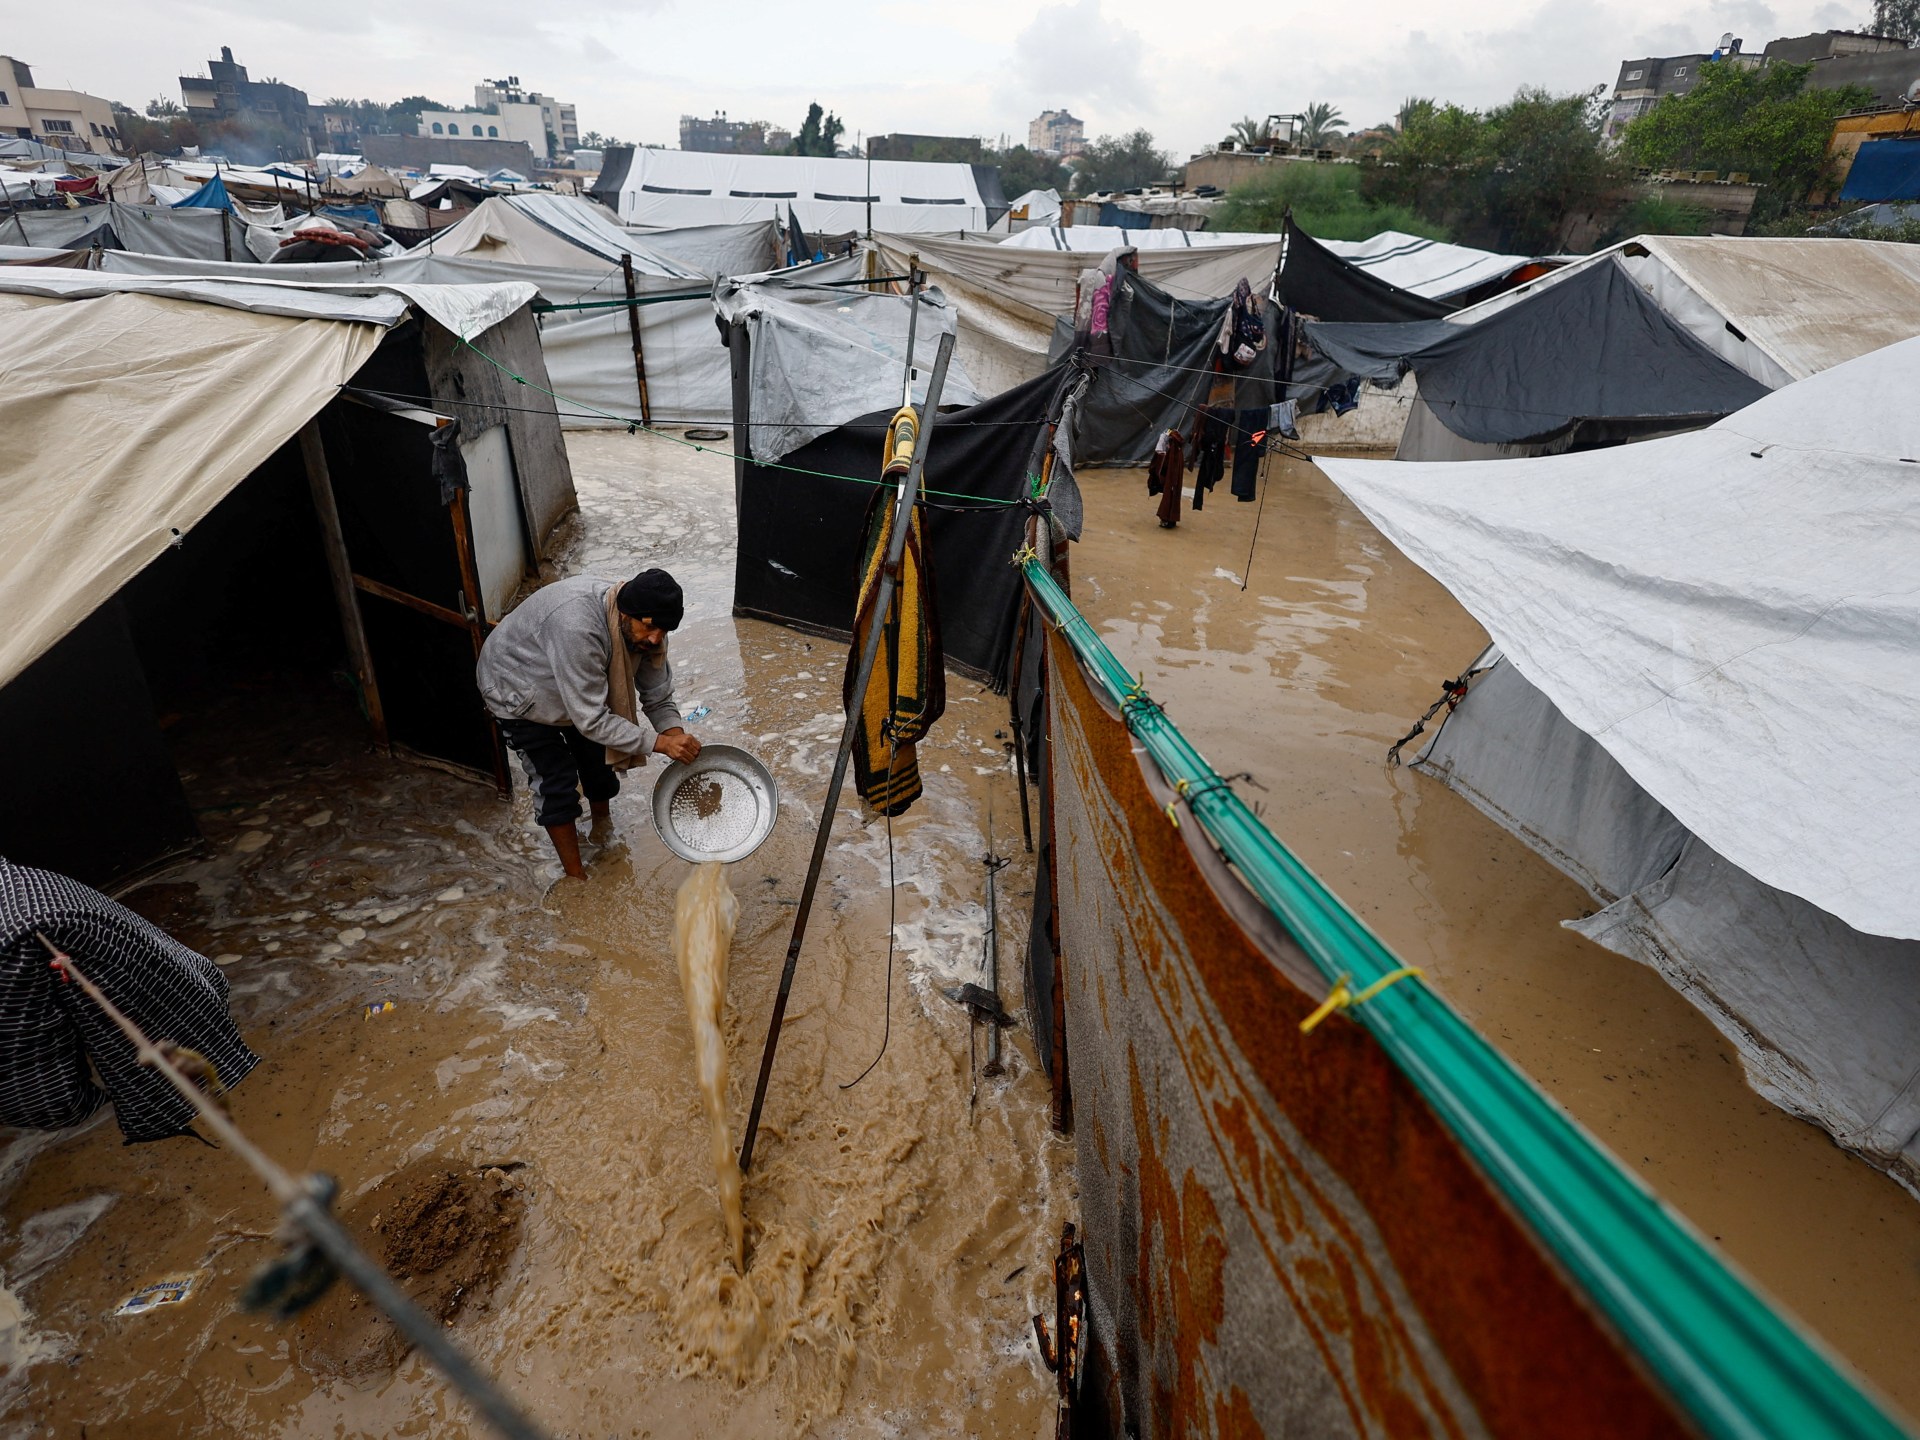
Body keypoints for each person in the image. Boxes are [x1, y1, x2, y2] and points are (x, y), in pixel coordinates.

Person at [0, 857, 260, 1143]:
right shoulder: (14, 882)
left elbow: (46, 1101)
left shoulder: (11, 944)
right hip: (198, 989)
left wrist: (94, 1104)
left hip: (163, 1086)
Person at [476, 569, 702, 878]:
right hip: (516, 685)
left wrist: (677, 741)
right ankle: (577, 878)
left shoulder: (650, 629)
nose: (655, 638)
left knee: (598, 761)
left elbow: (657, 696)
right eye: (650, 628)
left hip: (574, 681)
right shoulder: (578, 625)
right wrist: (659, 743)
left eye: (663, 631)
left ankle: (602, 832)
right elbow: (592, 720)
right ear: (625, 614)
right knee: (555, 782)